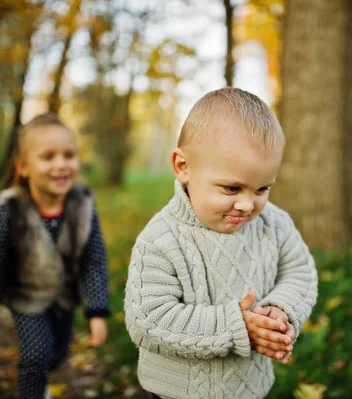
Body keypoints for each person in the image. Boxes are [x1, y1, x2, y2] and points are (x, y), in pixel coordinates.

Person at [124, 88, 318, 399]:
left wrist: (279, 311)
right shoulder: (161, 239)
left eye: (262, 189)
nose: (247, 205)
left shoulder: (274, 223)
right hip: (178, 393)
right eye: (231, 188)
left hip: (249, 389)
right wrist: (235, 325)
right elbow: (148, 319)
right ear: (183, 167)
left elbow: (300, 272)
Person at [0, 113, 110, 399]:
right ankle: (33, 390)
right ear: (23, 166)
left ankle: (40, 375)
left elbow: (95, 259)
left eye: (69, 155)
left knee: (56, 354)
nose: (60, 165)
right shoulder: (12, 208)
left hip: (64, 297)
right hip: (26, 296)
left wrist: (97, 311)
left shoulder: (82, 203)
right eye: (48, 157)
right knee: (36, 354)